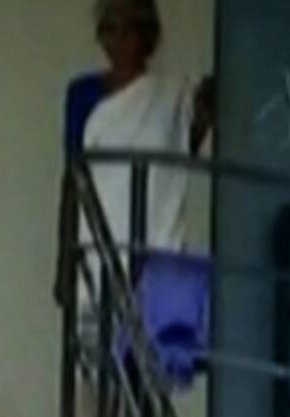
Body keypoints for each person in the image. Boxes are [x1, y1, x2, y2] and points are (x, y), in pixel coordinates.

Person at [81, 0, 214, 257]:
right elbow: (74, 174)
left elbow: (187, 145)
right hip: (102, 243)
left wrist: (208, 103)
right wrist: (66, 260)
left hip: (159, 241)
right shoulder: (84, 93)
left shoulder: (173, 96)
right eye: (109, 28)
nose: (118, 38)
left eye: (128, 28)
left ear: (147, 35)